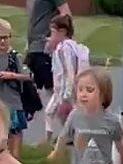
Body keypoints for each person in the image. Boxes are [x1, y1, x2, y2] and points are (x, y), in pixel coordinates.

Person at [0, 18, 34, 159]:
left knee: (16, 132)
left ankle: (15, 158)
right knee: (1, 132)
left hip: (14, 101)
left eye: (5, 38)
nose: (2, 41)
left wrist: (10, 75)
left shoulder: (15, 56)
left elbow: (28, 76)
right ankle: (3, 158)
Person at [25, 0, 70, 140]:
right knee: (41, 91)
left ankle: (68, 131)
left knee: (55, 93)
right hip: (35, 48)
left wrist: (56, 39)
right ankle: (66, 131)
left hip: (44, 48)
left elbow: (66, 14)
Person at [43, 15, 87, 146]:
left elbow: (69, 70)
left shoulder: (65, 48)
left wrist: (67, 92)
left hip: (65, 90)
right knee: (52, 112)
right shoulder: (66, 47)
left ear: (62, 32)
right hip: (61, 90)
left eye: (53, 32)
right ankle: (57, 138)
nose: (51, 36)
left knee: (62, 113)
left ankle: (66, 138)